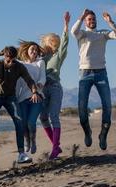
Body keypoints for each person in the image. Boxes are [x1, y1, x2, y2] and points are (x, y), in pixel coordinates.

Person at [71, 9, 116, 150]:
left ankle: (103, 134)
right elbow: (73, 31)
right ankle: (87, 132)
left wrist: (110, 22)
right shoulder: (82, 33)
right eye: (89, 19)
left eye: (93, 19)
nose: (92, 21)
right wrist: (81, 17)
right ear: (86, 21)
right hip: (85, 73)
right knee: (82, 107)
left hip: (101, 73)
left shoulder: (103, 34)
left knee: (107, 105)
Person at [0, 46, 40, 165]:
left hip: (11, 97)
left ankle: (21, 154)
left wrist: (34, 91)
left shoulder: (19, 66)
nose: (11, 63)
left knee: (19, 121)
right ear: (4, 57)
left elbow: (29, 80)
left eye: (13, 60)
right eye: (9, 60)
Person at [39, 11, 70, 160]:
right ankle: (56, 146)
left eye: (50, 41)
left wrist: (65, 25)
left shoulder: (58, 55)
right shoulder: (42, 58)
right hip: (43, 89)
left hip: (55, 88)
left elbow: (64, 44)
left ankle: (54, 148)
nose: (48, 44)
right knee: (43, 117)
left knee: (53, 116)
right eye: (47, 41)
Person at [16, 40, 46, 154]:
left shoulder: (40, 63)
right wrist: (15, 96)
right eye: (32, 49)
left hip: (37, 96)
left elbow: (43, 77)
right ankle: (27, 141)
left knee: (31, 122)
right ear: (27, 51)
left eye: (36, 49)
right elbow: (18, 82)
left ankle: (33, 141)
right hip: (22, 98)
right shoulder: (21, 64)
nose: (34, 51)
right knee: (23, 123)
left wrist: (39, 84)